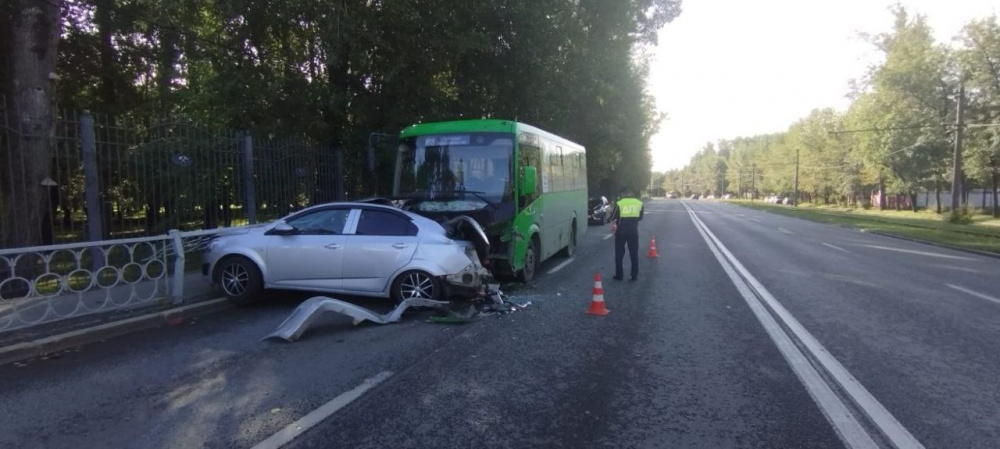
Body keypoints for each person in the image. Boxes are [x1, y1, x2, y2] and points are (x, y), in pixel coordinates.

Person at [611, 188, 644, 281]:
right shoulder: (639, 203)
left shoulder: (619, 203)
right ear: (631, 193)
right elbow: (641, 217)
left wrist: (617, 220)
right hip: (633, 230)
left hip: (621, 230)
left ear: (622, 194)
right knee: (634, 253)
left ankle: (619, 275)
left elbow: (613, 217)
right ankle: (634, 276)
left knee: (619, 253)